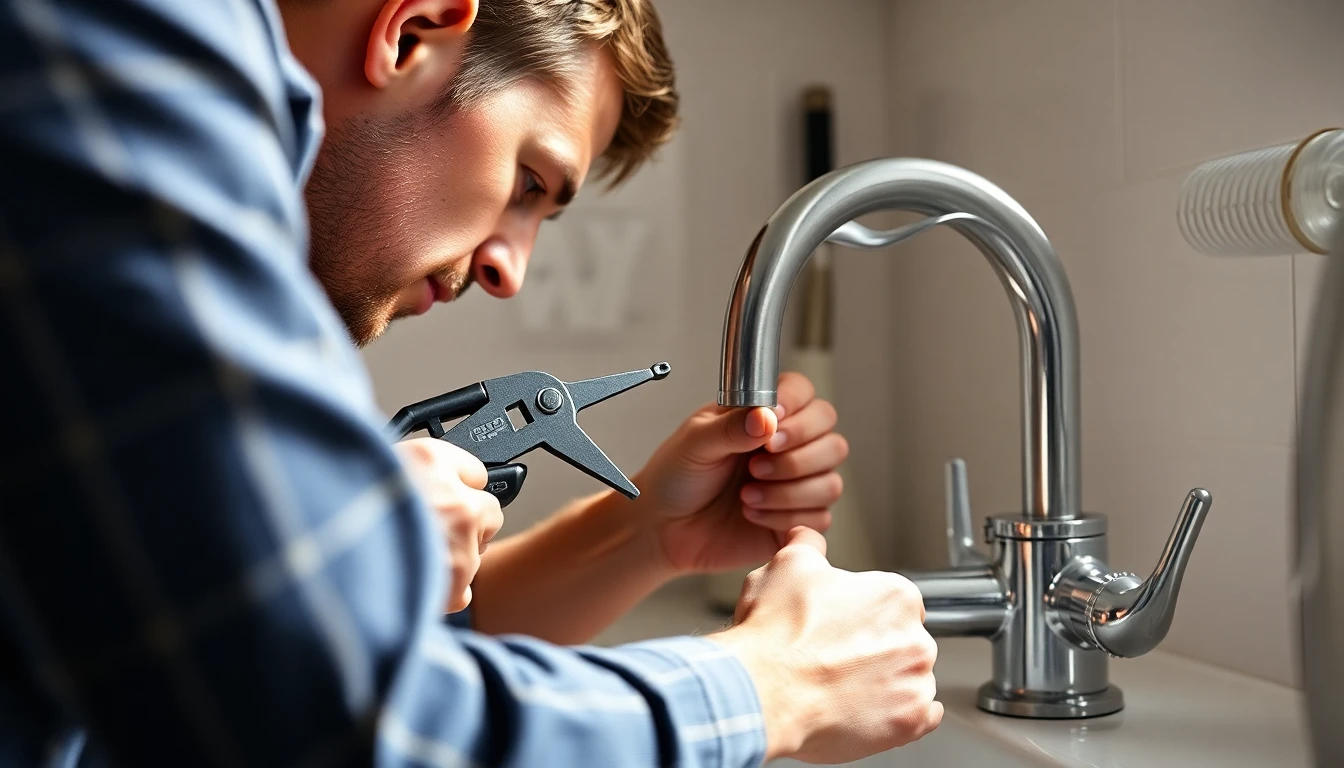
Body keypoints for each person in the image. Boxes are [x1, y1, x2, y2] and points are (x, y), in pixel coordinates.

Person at [0, 1, 942, 766]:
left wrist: (645, 535)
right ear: (413, 29)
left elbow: (245, 653)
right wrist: (774, 686)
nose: (508, 271)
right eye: (531, 182)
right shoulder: (125, 59)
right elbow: (346, 726)